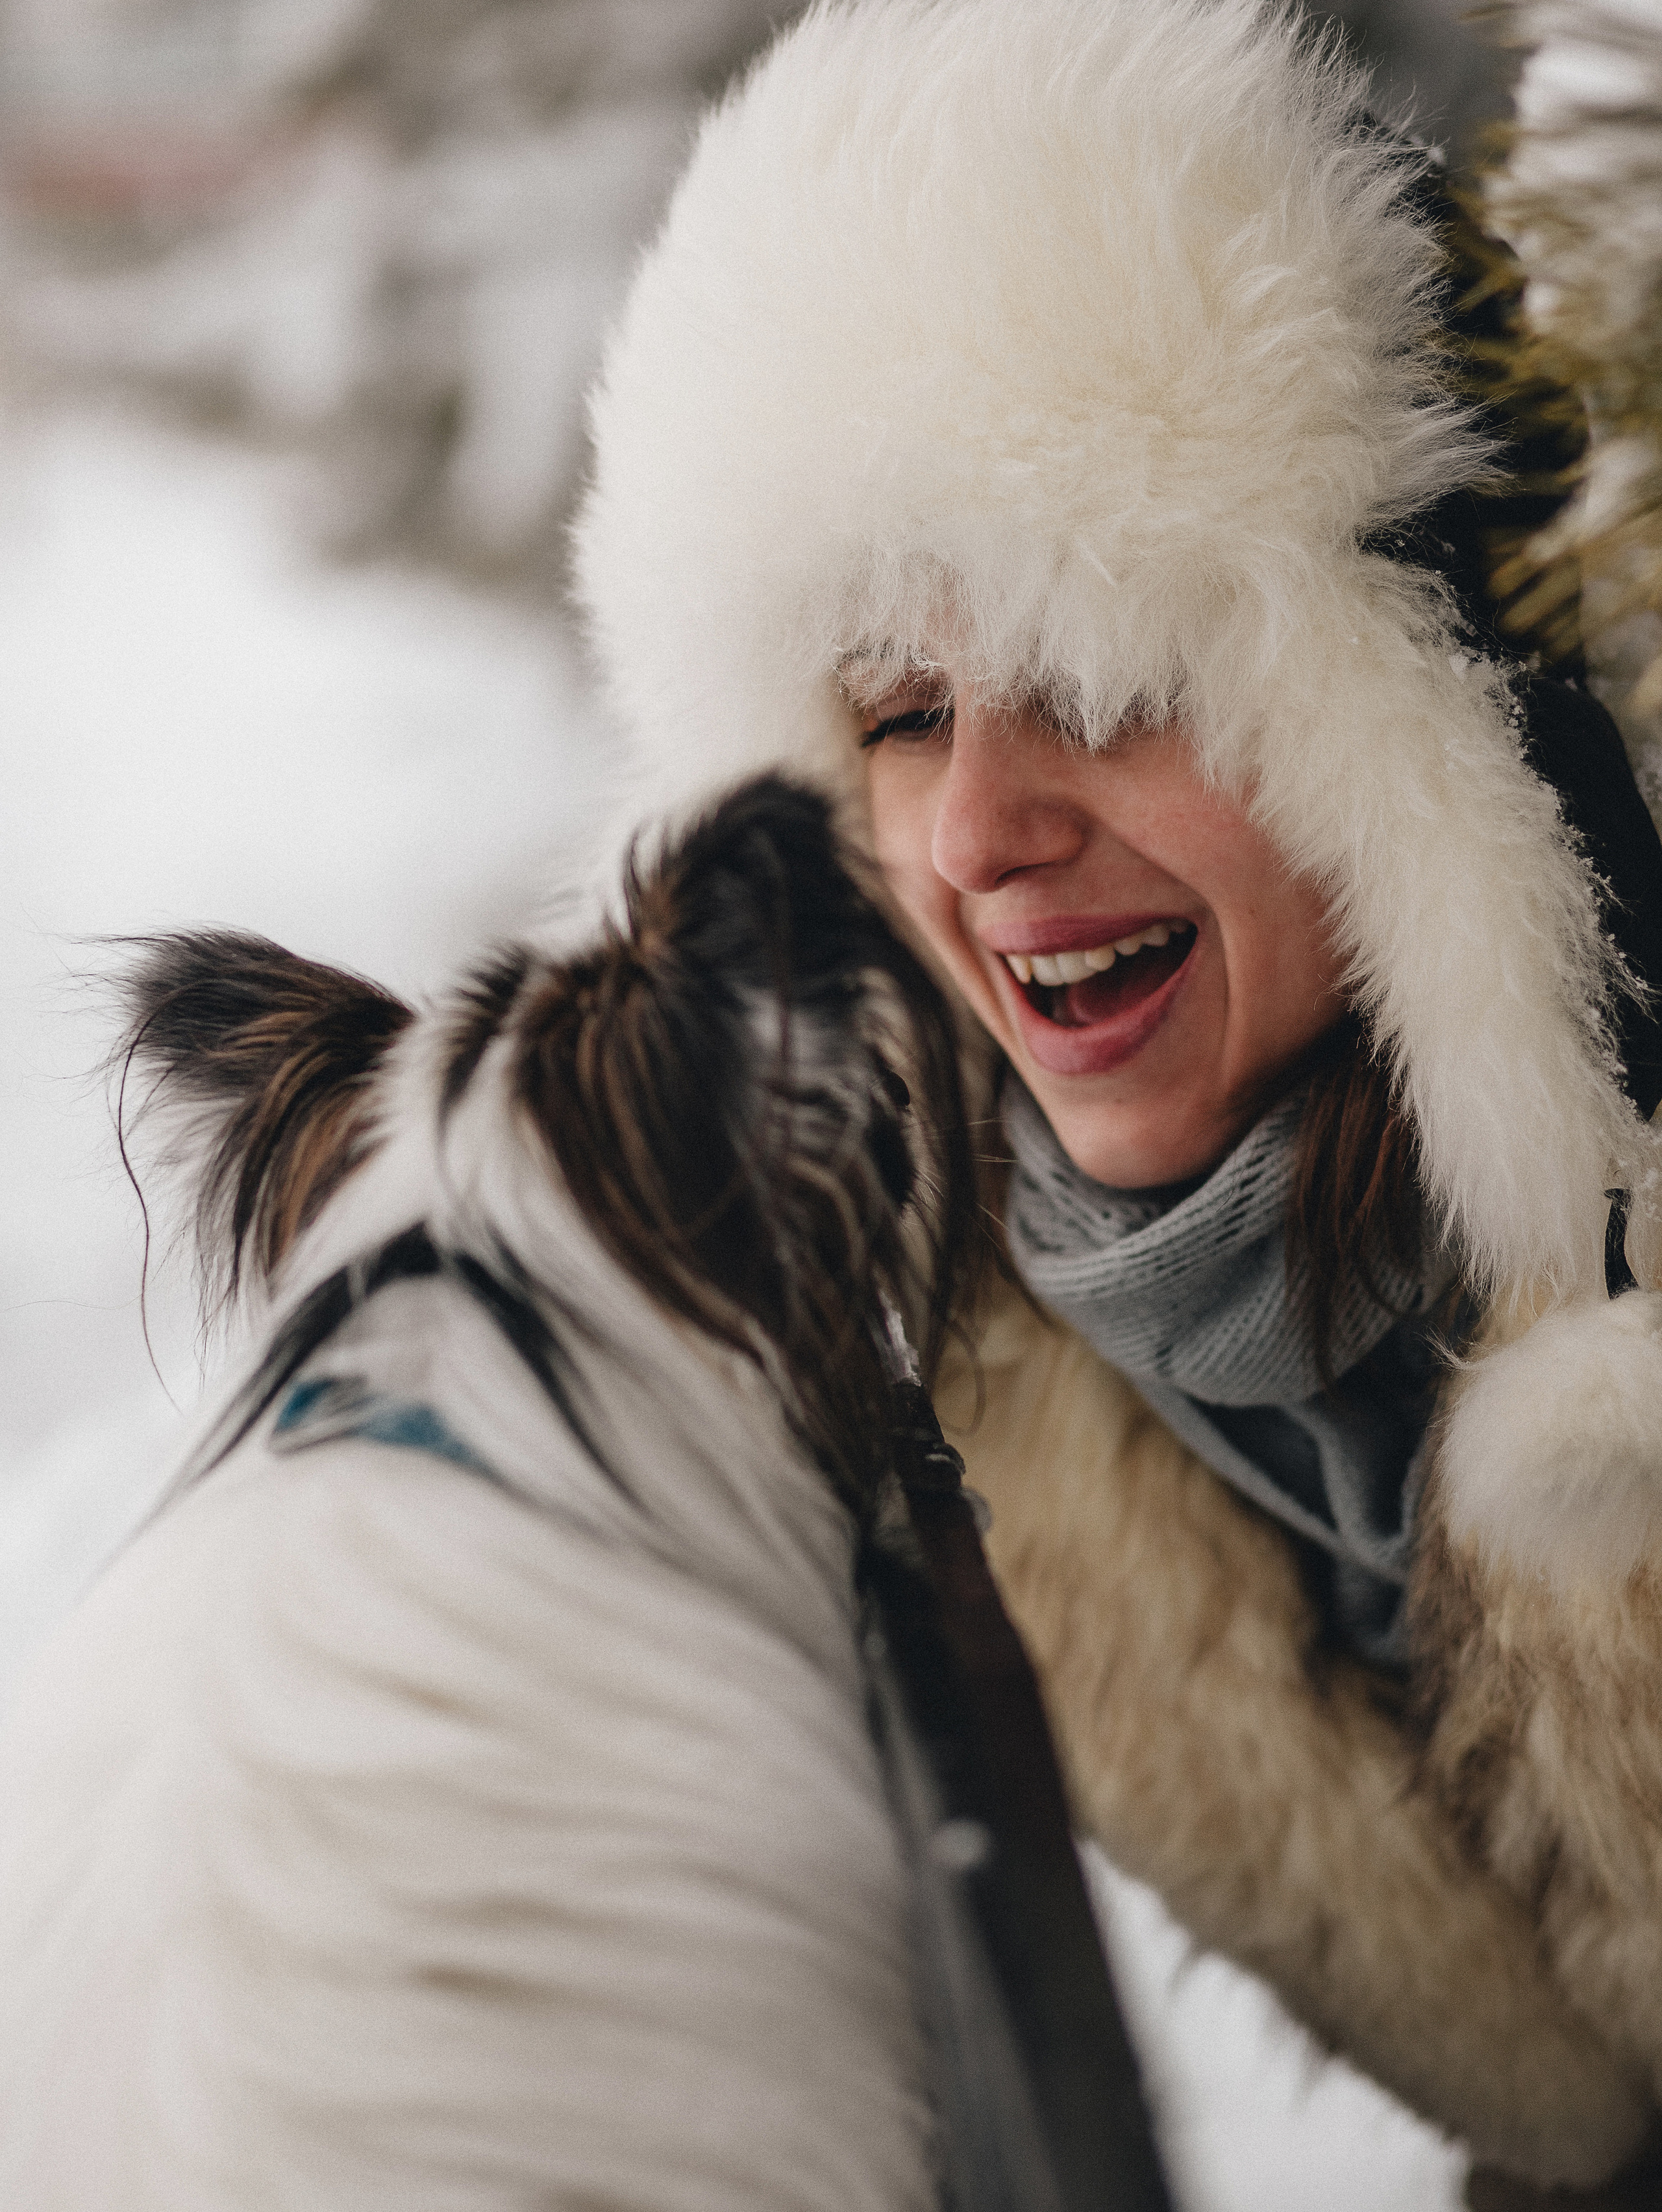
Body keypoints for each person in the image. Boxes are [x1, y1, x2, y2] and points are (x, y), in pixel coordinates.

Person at [573, 0, 1662, 2200]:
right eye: (893, 714)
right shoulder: (994, 1412)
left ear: (1437, 748)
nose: (974, 832)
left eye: (1095, 680)